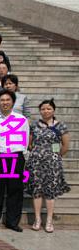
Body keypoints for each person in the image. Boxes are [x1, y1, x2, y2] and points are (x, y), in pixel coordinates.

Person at [0, 90, 30, 232]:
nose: (5, 102)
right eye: (2, 100)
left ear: (13, 102)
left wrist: (24, 157)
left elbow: (25, 138)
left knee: (15, 190)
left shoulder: (21, 119)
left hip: (16, 156)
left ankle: (12, 222)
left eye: (8, 100)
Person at [26, 99, 70, 233]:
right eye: (43, 109)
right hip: (36, 162)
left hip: (53, 163)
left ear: (54, 110)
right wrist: (38, 153)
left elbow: (65, 146)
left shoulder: (61, 126)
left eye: (49, 108)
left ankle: (49, 220)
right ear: (40, 111)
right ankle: (37, 219)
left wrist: (55, 156)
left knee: (50, 191)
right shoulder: (34, 125)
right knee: (37, 191)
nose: (46, 111)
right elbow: (29, 144)